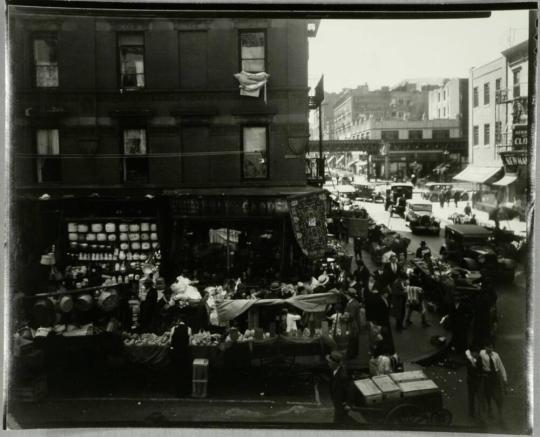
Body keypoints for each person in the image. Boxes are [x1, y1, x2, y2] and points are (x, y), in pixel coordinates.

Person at [475, 343, 508, 425]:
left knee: (498, 395)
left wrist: (505, 379)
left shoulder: (496, 355)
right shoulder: (481, 353)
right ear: (485, 347)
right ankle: (489, 409)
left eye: (491, 347)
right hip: (487, 377)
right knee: (487, 394)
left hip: (495, 377)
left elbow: (501, 367)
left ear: (493, 348)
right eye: (487, 347)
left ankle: (500, 415)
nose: (489, 349)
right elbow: (476, 362)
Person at [326, 351, 353, 425]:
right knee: (341, 419)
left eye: (329, 362)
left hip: (342, 403)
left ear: (334, 363)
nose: (328, 364)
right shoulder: (335, 371)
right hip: (337, 402)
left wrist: (348, 404)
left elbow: (349, 390)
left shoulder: (342, 375)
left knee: (339, 421)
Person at [170, 317, 193, 397]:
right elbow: (190, 343)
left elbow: (170, 341)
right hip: (184, 353)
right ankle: (185, 392)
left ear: (178, 321)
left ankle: (177, 392)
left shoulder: (173, 328)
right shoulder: (189, 329)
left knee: (176, 372)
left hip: (176, 353)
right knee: (184, 371)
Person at [465, 348, 485, 421]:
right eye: (474, 353)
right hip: (472, 380)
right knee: (472, 397)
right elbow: (470, 370)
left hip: (477, 380)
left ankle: (479, 413)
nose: (475, 354)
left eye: (476, 353)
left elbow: (480, 369)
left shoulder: (479, 359)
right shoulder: (469, 360)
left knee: (477, 397)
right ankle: (472, 413)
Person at [344, 290, 362, 359]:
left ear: (349, 296)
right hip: (355, 323)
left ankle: (351, 355)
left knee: (352, 340)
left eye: (347, 295)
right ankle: (354, 353)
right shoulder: (354, 302)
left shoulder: (352, 304)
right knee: (354, 340)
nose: (346, 296)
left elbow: (351, 316)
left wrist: (344, 317)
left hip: (353, 324)